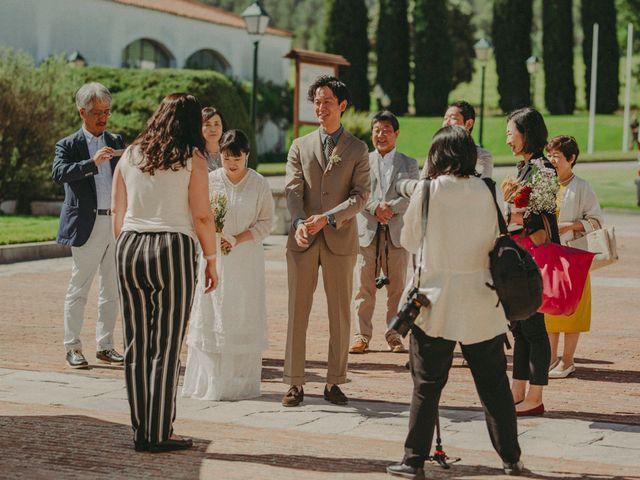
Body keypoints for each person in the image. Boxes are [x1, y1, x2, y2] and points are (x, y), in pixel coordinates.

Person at [386, 126, 522, 479]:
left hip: (435, 300)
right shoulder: (488, 189)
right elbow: (499, 235)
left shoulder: (428, 192)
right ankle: (511, 458)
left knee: (427, 387)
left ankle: (414, 459)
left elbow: (408, 238)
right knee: (494, 387)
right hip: (481, 297)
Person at [111, 93, 219, 453]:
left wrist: (125, 252)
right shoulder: (192, 158)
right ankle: (159, 432)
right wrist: (211, 259)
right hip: (172, 247)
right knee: (166, 345)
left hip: (129, 245)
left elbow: (117, 212)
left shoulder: (129, 154)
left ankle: (141, 429)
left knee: (136, 345)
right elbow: (203, 215)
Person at [282, 75, 370, 407]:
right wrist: (298, 221)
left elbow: (361, 197)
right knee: (296, 313)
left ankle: (335, 381)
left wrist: (329, 217)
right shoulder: (299, 145)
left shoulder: (358, 149)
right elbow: (292, 190)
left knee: (340, 314)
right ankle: (294, 383)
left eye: (327, 101)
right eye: (317, 101)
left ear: (342, 106)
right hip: (303, 238)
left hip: (339, 238)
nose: (321, 107)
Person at [182, 129, 274, 401]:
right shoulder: (209, 181)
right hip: (214, 258)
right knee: (213, 312)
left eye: (237, 158)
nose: (231, 164)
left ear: (247, 156)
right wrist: (214, 239)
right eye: (226, 158)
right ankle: (210, 382)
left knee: (241, 312)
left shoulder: (258, 184)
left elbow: (266, 222)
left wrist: (238, 239)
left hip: (246, 261)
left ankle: (239, 384)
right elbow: (195, 215)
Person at [52, 82, 125, 369]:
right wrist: (91, 163)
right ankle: (73, 347)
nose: (103, 117)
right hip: (87, 223)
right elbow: (59, 173)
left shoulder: (117, 140)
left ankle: (105, 346)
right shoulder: (68, 145)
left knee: (112, 288)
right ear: (82, 111)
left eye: (107, 111)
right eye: (97, 112)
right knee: (79, 287)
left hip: (115, 223)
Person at [504, 107, 559, 416]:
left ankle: (535, 397)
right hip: (522, 258)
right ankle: (518, 390)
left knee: (535, 327)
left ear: (527, 133)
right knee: (521, 326)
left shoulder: (543, 167)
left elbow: (544, 210)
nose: (508, 139)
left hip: (536, 258)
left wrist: (515, 213)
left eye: (511, 133)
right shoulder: (524, 166)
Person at [349, 110, 419, 355]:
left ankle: (395, 334)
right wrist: (374, 207)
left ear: (396, 133)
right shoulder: (362, 161)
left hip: (397, 233)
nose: (381, 135)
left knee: (397, 289)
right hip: (367, 231)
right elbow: (356, 191)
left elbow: (414, 195)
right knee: (363, 287)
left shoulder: (409, 163)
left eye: (386, 130)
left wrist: (391, 207)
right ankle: (361, 334)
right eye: (377, 130)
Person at [544, 136, 603, 379]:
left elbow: (597, 220)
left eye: (556, 156)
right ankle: (549, 358)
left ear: (571, 159)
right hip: (549, 255)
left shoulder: (582, 187)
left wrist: (570, 225)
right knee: (548, 308)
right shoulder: (545, 184)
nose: (552, 160)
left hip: (573, 256)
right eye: (550, 155)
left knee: (572, 310)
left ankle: (568, 360)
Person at [442, 100, 493, 178]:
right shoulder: (436, 152)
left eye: (453, 118)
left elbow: (484, 186)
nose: (446, 123)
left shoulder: (483, 156)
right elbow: (424, 183)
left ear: (469, 124)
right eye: (445, 118)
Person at [202, 106, 225, 171]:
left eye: (216, 124)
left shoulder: (231, 154)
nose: (213, 129)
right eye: (207, 125)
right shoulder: (195, 155)